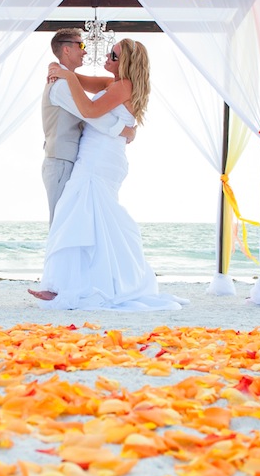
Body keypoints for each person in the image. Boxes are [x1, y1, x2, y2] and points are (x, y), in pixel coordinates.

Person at [29, 39, 188, 312]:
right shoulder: (111, 83)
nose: (106, 56)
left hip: (100, 156)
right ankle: (68, 284)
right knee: (85, 216)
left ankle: (69, 286)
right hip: (97, 152)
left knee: (79, 211)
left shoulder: (123, 86)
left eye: (112, 55)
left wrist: (65, 75)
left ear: (124, 61)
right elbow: (83, 81)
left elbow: (89, 110)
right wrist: (56, 67)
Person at [41, 29, 131, 223]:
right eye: (81, 46)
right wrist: (125, 131)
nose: (86, 51)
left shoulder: (67, 80)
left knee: (71, 222)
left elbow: (92, 107)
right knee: (60, 224)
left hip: (74, 159)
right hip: (61, 160)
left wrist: (58, 68)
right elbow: (91, 114)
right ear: (66, 49)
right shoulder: (61, 85)